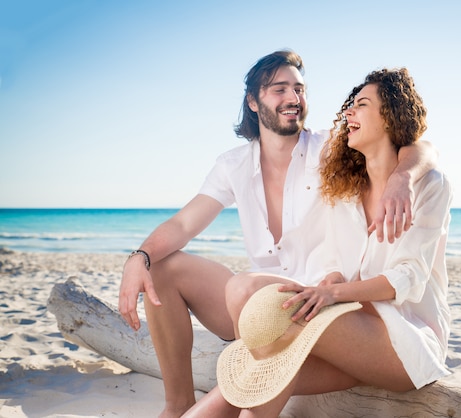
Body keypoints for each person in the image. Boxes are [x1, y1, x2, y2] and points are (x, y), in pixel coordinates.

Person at [117, 51, 438, 417]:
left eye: (299, 89)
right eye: (279, 89)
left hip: (324, 306)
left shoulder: (332, 149)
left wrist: (403, 176)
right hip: (257, 310)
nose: (293, 98)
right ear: (253, 101)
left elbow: (419, 144)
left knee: (250, 294)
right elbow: (183, 225)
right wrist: (138, 258)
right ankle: (177, 404)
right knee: (162, 267)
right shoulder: (233, 165)